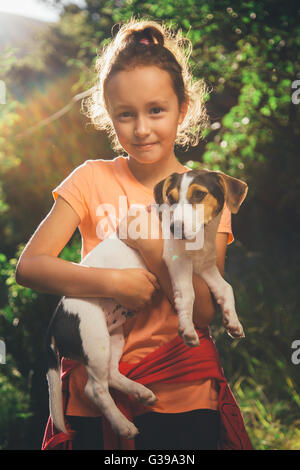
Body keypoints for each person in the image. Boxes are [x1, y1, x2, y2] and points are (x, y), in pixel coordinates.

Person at [15, 18, 252, 450]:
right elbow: (30, 267)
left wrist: (151, 248)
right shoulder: (89, 180)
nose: (141, 129)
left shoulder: (207, 194)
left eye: (156, 111)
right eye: (126, 115)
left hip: (183, 392)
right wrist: (112, 283)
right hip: (95, 392)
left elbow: (202, 312)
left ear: (183, 109)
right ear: (110, 116)